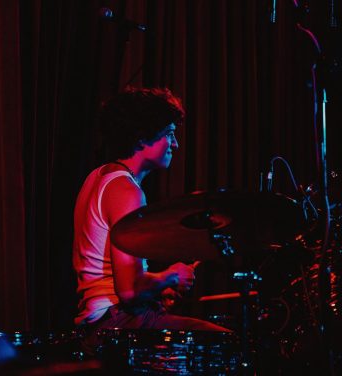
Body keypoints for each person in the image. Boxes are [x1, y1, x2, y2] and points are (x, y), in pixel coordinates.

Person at [72, 87, 230, 355]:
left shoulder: (97, 176)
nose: (176, 144)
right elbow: (130, 291)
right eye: (169, 134)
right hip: (118, 322)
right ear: (142, 138)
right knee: (228, 345)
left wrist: (156, 288)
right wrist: (171, 276)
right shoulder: (125, 190)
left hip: (101, 323)